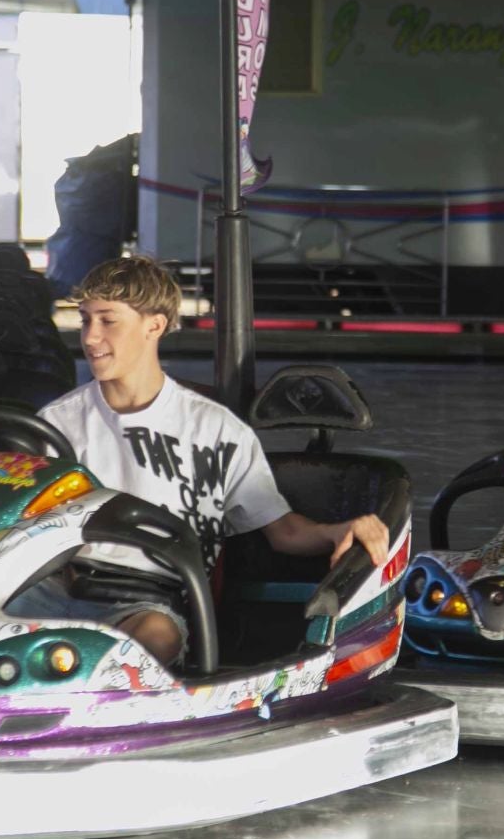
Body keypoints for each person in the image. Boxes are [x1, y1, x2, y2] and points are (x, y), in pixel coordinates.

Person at [27, 255, 392, 666]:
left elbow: (284, 532)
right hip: (59, 588)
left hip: (148, 600)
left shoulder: (217, 430)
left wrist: (340, 529)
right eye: (85, 319)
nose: (90, 337)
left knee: (154, 639)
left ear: (155, 325)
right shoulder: (57, 423)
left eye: (108, 321)